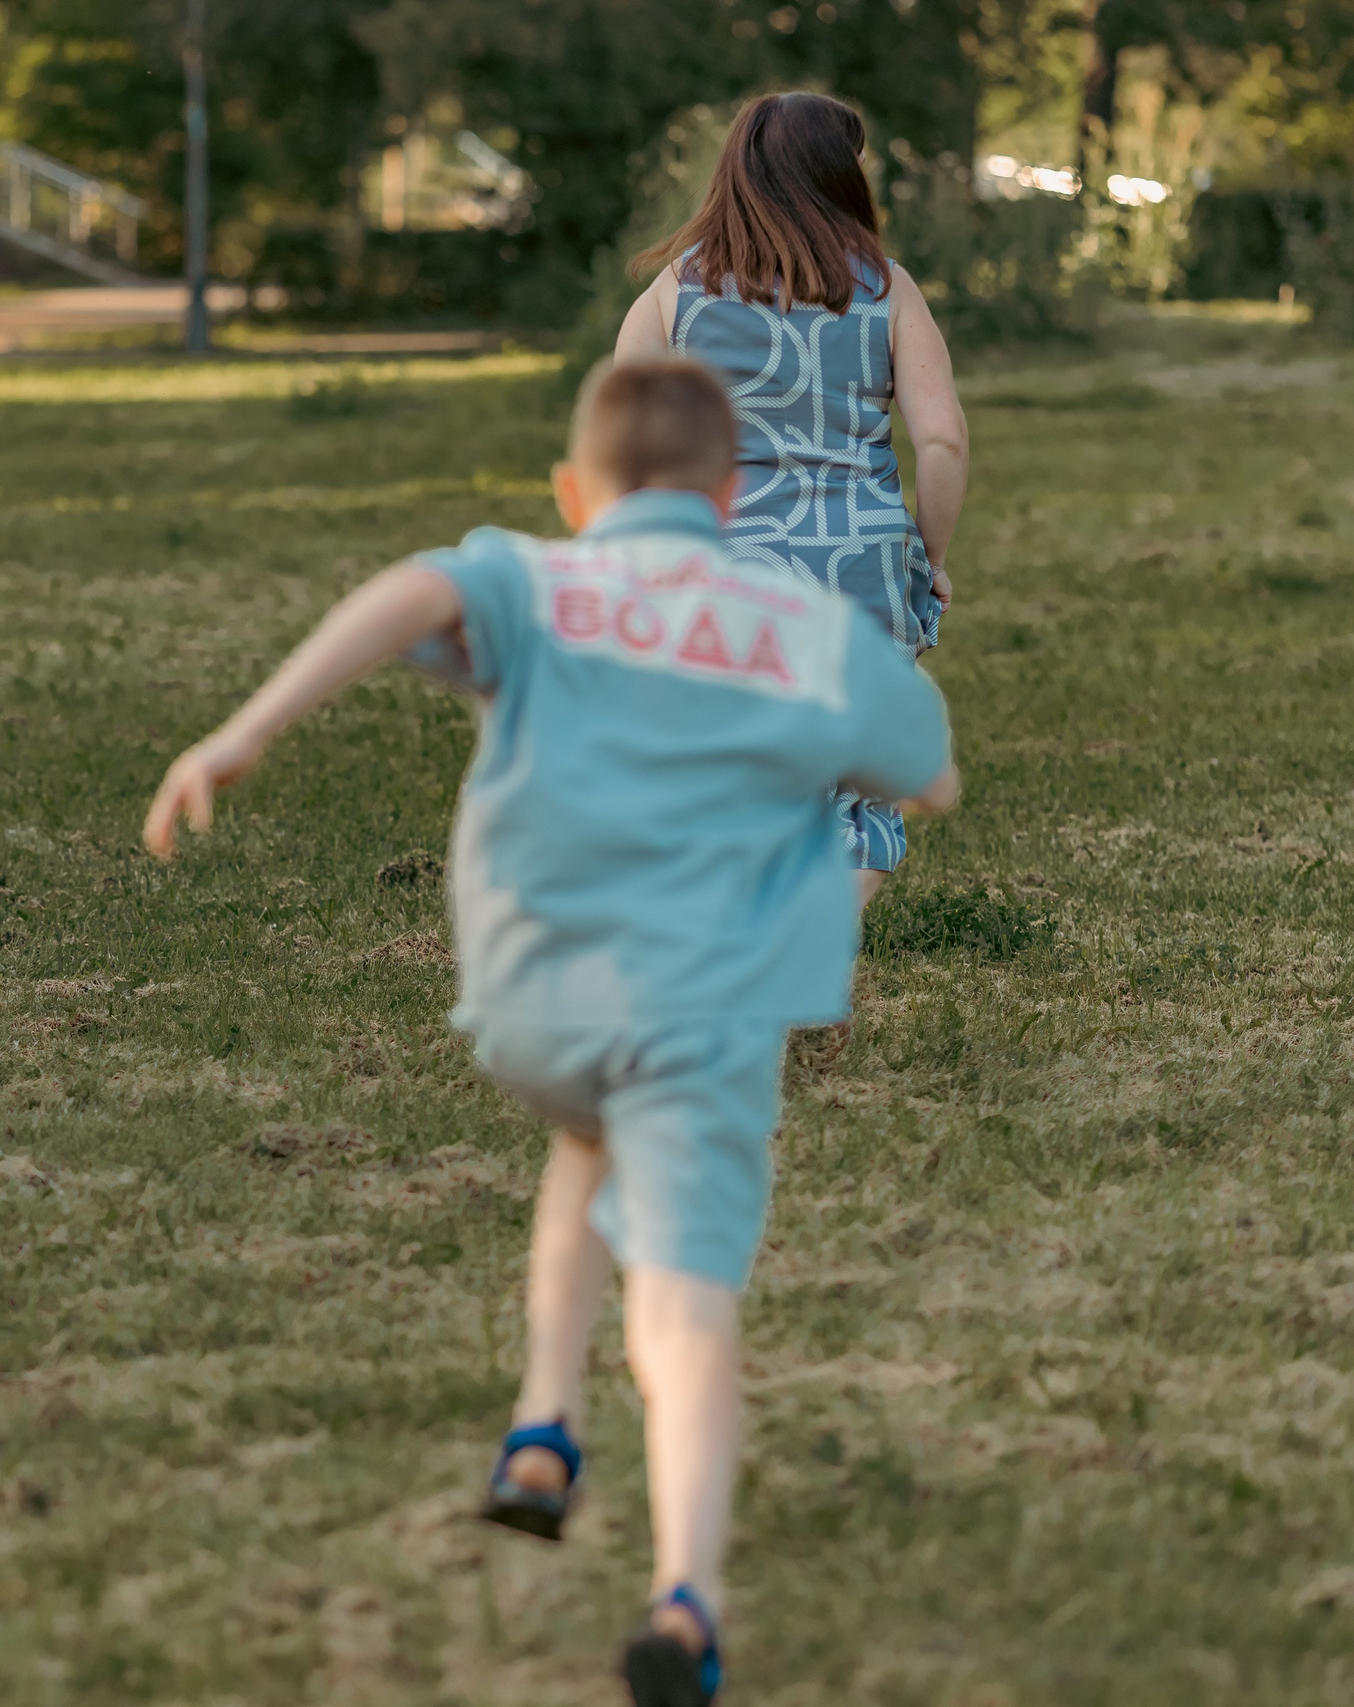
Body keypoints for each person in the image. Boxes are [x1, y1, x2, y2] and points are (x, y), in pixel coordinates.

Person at [144, 362, 958, 1707]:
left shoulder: (535, 577)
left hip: (534, 1005)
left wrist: (245, 735)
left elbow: (414, 591)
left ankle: (542, 1426)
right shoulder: (794, 621)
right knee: (685, 1309)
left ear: (575, 493)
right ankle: (685, 1600)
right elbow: (928, 769)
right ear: (732, 497)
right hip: (702, 1014)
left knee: (586, 1138)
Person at [613, 90, 970, 909]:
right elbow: (943, 442)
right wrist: (929, 557)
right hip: (860, 561)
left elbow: (622, 442)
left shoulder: (677, 289)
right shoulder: (886, 289)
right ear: (841, 175)